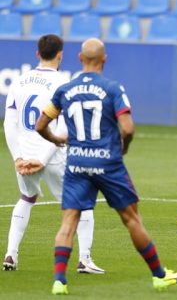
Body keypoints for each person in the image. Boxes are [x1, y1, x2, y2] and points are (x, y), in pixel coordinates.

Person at [35, 38, 177, 295]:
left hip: (77, 163)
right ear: (104, 59)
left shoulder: (65, 90)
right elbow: (127, 128)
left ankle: (59, 281)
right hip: (108, 163)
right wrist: (123, 147)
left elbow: (40, 125)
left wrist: (58, 139)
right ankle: (159, 276)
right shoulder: (113, 89)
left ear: (80, 59)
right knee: (131, 219)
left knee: (68, 223)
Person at [2, 34, 104, 274]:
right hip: (53, 156)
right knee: (82, 203)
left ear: (38, 54)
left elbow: (9, 123)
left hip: (25, 157)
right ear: (60, 55)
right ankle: (84, 259)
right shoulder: (63, 83)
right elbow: (63, 126)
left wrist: (18, 157)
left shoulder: (19, 81)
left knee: (26, 199)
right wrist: (44, 159)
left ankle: (11, 254)